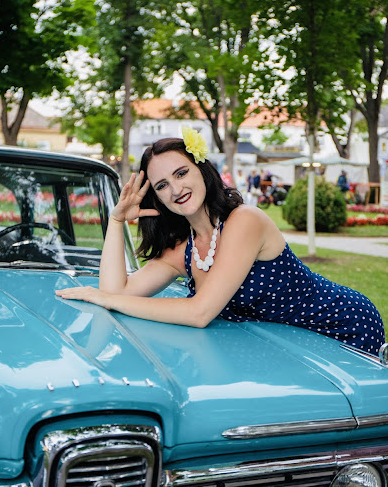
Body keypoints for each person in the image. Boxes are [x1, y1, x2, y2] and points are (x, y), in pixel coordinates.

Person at [55, 127, 385, 356]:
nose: (176, 189)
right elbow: (116, 292)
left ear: (202, 171)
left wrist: (103, 298)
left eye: (181, 173)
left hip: (340, 324)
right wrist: (115, 221)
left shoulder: (245, 222)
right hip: (284, 344)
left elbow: (200, 312)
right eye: (162, 185)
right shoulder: (182, 249)